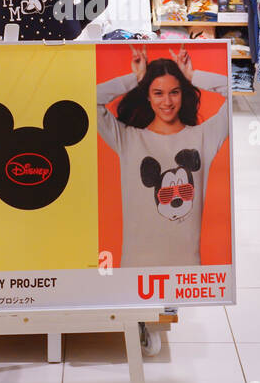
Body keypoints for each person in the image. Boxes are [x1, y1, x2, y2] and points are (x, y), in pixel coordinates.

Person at [96, 46, 229, 268]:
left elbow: (233, 88)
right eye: (158, 93)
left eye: (174, 92)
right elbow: (92, 98)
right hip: (136, 264)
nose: (167, 102)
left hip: (186, 264)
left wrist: (192, 76)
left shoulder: (204, 136)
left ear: (182, 93)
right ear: (147, 96)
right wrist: (136, 78)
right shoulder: (127, 138)